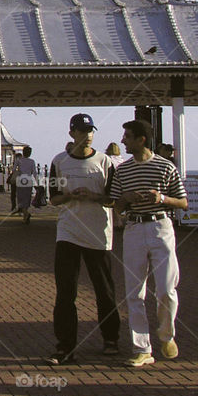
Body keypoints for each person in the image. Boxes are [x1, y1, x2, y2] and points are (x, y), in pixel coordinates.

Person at [110, 119, 188, 368]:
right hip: (133, 228)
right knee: (135, 292)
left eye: (127, 136)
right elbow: (115, 205)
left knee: (166, 289)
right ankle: (142, 348)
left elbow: (183, 202)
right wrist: (125, 198)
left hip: (160, 227)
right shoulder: (122, 170)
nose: (123, 140)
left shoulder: (165, 167)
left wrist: (162, 198)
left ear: (141, 139)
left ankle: (166, 335)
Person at [44, 113, 120, 366]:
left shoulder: (105, 161)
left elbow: (113, 199)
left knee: (104, 290)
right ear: (71, 134)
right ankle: (65, 346)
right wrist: (70, 196)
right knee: (66, 292)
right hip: (68, 233)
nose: (88, 135)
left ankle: (111, 338)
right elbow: (53, 199)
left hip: (98, 234)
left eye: (91, 131)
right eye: (82, 130)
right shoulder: (59, 161)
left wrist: (94, 196)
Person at [13, 146, 37, 224]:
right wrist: (36, 183)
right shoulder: (32, 161)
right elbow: (34, 173)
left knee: (20, 198)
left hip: (21, 180)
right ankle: (25, 215)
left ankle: (25, 214)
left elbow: (13, 170)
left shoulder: (19, 160)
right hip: (29, 180)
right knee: (27, 198)